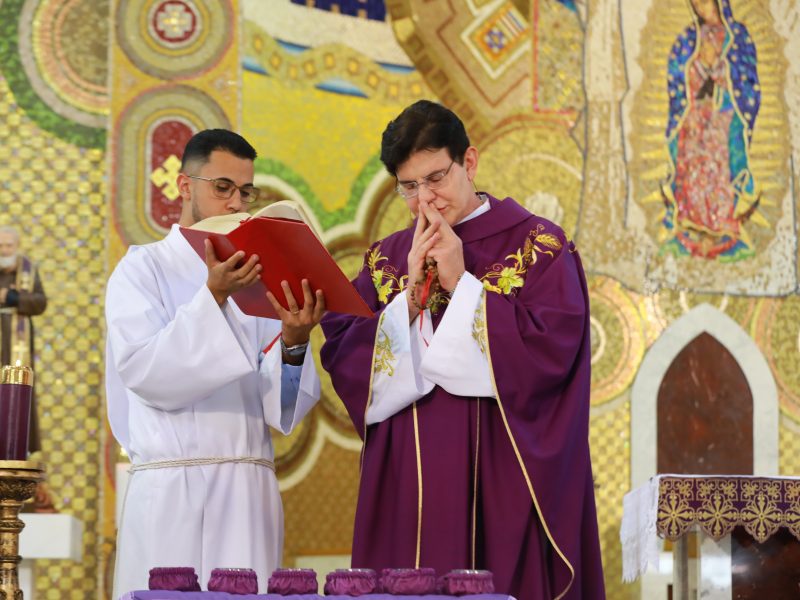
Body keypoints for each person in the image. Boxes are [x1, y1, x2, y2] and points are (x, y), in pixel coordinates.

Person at [320, 101, 605, 600]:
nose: (424, 198)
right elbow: (346, 355)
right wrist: (408, 299)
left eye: (436, 178)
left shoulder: (538, 246)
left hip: (501, 484)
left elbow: (551, 355)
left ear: (469, 162)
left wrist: (461, 283)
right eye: (408, 186)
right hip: (407, 483)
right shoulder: (386, 259)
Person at [106, 129, 325, 597]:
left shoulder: (258, 277)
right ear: (185, 187)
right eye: (222, 187)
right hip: (170, 490)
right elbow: (147, 374)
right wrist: (214, 296)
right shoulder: (142, 269)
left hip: (247, 491)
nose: (235, 203)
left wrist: (294, 339)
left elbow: (280, 408)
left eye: (246, 192)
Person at [661, 0, 760, 260]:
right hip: (694, 116)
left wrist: (721, 71)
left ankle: (721, 223)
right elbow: (676, 72)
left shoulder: (738, 36)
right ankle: (690, 221)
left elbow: (747, 77)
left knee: (718, 168)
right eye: (695, 4)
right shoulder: (688, 37)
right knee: (692, 165)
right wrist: (696, 67)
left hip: (724, 115)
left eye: (704, 2)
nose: (700, 9)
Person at [0, 226, 47, 452]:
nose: (4, 249)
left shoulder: (27, 269)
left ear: (16, 246)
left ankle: (19, 446)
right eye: (0, 245)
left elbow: (40, 302)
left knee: (17, 386)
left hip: (15, 340)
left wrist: (13, 297)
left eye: (8, 245)